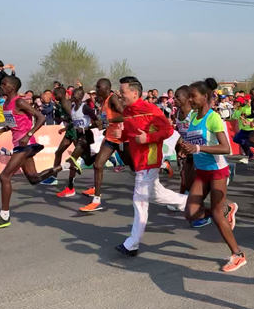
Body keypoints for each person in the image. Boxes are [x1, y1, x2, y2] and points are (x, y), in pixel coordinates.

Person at [0, 76, 74, 230]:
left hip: (27, 144)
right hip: (19, 145)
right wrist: (2, 129)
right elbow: (14, 124)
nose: (1, 86)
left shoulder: (19, 101)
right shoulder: (6, 105)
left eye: (4, 84)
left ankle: (4, 216)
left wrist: (28, 135)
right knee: (34, 178)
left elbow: (41, 118)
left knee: (4, 176)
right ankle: (65, 165)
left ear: (12, 87)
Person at [114, 77, 188, 256]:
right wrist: (121, 134)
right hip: (139, 161)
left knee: (139, 200)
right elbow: (131, 133)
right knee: (157, 195)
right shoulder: (128, 111)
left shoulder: (151, 109)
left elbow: (168, 131)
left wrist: (147, 138)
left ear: (135, 93)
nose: (120, 94)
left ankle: (132, 244)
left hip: (150, 159)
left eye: (122, 92)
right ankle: (188, 202)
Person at [182, 78, 244, 272]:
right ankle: (226, 210)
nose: (190, 99)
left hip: (217, 171)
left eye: (193, 96)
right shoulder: (192, 117)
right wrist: (186, 148)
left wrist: (198, 147)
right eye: (189, 96)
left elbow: (226, 148)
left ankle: (238, 255)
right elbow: (194, 144)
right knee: (191, 213)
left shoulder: (213, 117)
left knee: (216, 214)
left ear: (205, 96)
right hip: (202, 172)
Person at [81, 78, 128, 211]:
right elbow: (104, 122)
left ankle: (162, 164)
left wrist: (109, 121)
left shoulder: (113, 99)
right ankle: (96, 199)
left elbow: (125, 116)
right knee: (98, 165)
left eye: (98, 87)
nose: (96, 90)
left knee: (133, 166)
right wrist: (90, 127)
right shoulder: (104, 102)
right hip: (110, 139)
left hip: (121, 138)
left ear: (106, 88)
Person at [55, 88, 99, 198]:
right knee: (88, 161)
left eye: (74, 94)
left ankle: (70, 188)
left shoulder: (85, 108)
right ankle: (101, 156)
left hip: (85, 136)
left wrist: (85, 128)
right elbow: (74, 123)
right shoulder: (74, 108)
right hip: (78, 135)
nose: (72, 96)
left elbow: (98, 122)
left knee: (72, 159)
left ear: (79, 96)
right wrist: (65, 128)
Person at [174, 85, 196, 196]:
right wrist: (178, 146)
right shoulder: (177, 112)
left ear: (187, 98)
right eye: (174, 97)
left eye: (177, 97)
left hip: (197, 148)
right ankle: (182, 198)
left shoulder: (194, 113)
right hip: (185, 147)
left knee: (189, 176)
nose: (174, 100)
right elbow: (181, 133)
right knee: (184, 175)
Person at [232, 97, 254, 164]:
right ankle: (251, 155)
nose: (236, 103)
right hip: (243, 129)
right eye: (235, 102)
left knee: (246, 142)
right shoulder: (237, 110)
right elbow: (233, 117)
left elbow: (250, 113)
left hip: (250, 128)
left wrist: (248, 104)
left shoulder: (246, 107)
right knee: (236, 139)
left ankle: (248, 157)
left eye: (237, 102)